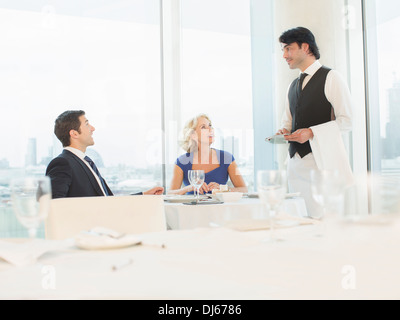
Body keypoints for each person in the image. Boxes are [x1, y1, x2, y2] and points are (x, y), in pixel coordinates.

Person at [276, 27, 353, 218]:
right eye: (283, 50)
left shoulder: (331, 77)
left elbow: (348, 121)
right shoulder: (292, 85)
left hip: (322, 165)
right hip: (295, 165)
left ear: (305, 46)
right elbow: (288, 122)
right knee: (301, 222)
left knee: (325, 223)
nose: (284, 55)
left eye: (288, 49)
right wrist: (283, 131)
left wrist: (311, 132)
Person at [46, 110, 164, 198]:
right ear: (74, 134)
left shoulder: (85, 162)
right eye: (87, 124)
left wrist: (144, 195)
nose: (93, 128)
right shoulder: (62, 163)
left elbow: (107, 201)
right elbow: (54, 206)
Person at [168, 114, 247, 195]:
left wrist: (224, 189)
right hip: (193, 208)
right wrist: (189, 188)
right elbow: (170, 194)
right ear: (193, 135)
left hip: (220, 207)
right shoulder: (181, 162)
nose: (210, 129)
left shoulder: (227, 158)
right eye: (203, 127)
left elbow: (244, 190)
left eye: (210, 126)